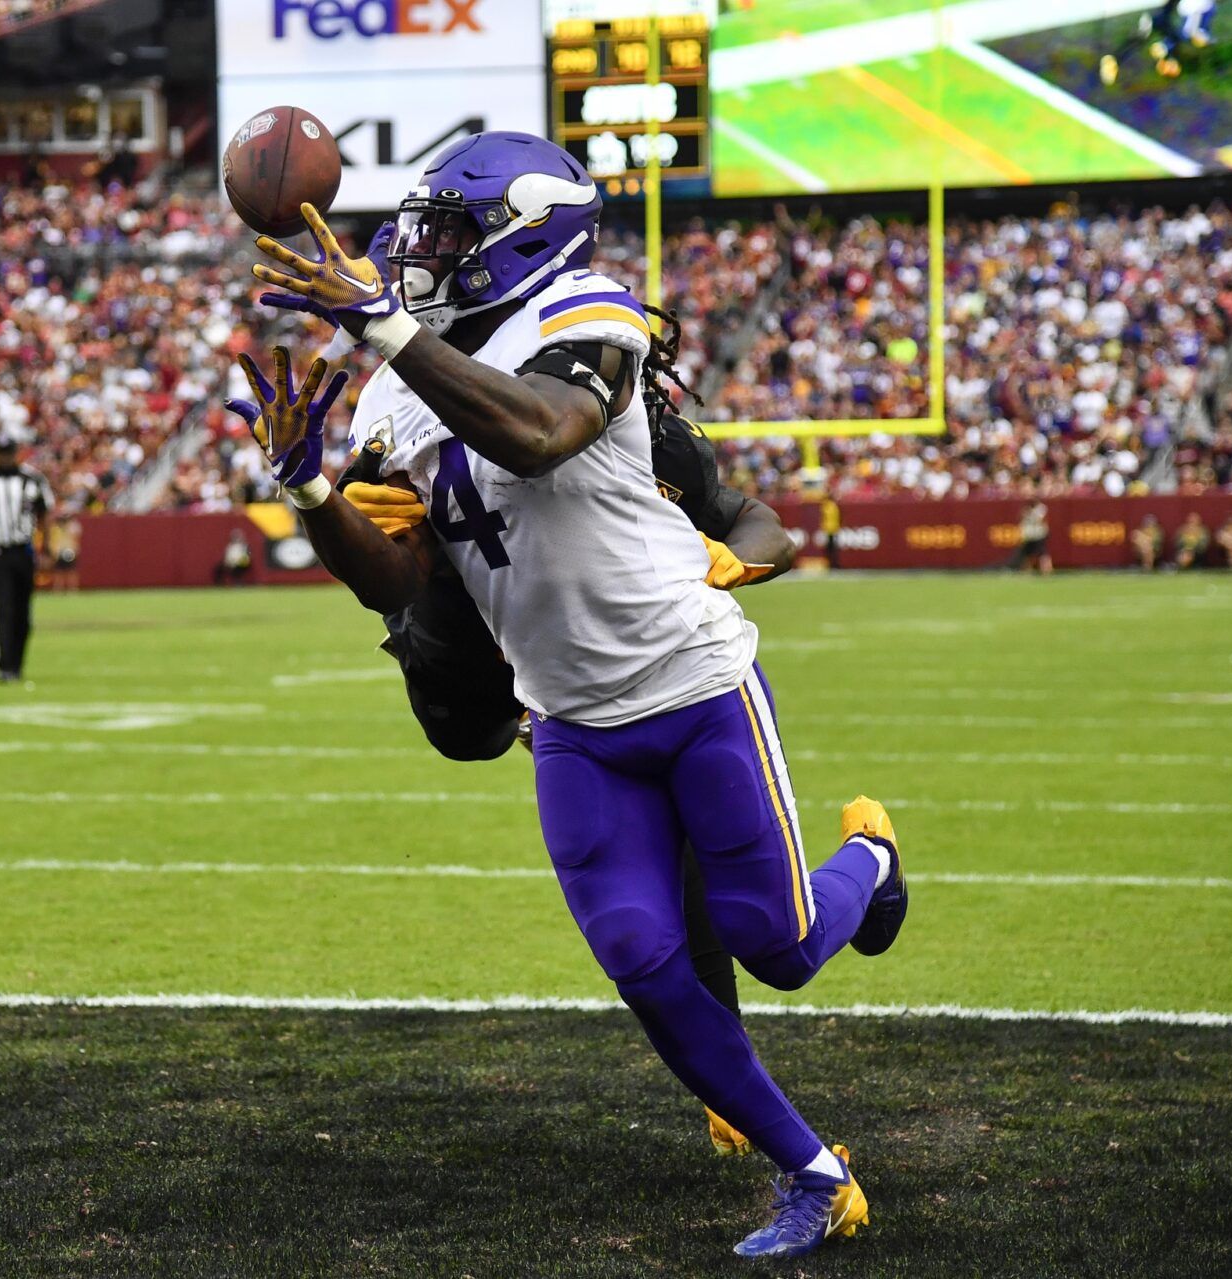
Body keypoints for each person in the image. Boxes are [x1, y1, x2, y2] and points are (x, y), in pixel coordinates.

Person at [232, 136, 901, 1259]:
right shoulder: (396, 387)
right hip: (571, 723)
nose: (420, 253)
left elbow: (541, 435)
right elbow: (396, 584)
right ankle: (816, 1174)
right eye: (421, 230)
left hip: (691, 685)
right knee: (644, 958)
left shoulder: (588, 314)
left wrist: (379, 327)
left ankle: (871, 859)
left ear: (530, 234)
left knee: (773, 946)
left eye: (451, 232)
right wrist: (309, 494)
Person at [337, 369, 795, 1157]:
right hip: (474, 668)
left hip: (597, 677)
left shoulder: (652, 447)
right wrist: (342, 501)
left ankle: (731, 1078)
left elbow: (753, 518)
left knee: (684, 868)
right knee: (476, 733)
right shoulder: (440, 423)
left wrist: (732, 557)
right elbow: (375, 541)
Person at [0, 436, 55, 682]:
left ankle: (16, 664)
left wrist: (46, 548)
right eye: (1, 452)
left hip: (23, 551)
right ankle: (5, 666)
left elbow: (44, 514)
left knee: (22, 612)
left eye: (9, 452)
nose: (5, 457)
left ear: (16, 453)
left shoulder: (32, 480)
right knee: (3, 608)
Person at [1016, 501, 1052, 574]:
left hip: (1039, 534)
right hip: (1029, 535)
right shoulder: (1027, 509)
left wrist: (1033, 515)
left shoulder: (1041, 508)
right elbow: (1021, 518)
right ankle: (1027, 571)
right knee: (1027, 554)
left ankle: (1046, 570)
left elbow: (1042, 521)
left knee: (1042, 553)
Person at [49, 516, 82, 593]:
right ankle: (58, 588)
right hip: (59, 552)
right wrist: (54, 551)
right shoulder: (55, 529)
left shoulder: (71, 528)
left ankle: (73, 589)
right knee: (59, 571)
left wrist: (75, 549)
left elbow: (75, 539)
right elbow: (53, 541)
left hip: (69, 551)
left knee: (71, 570)